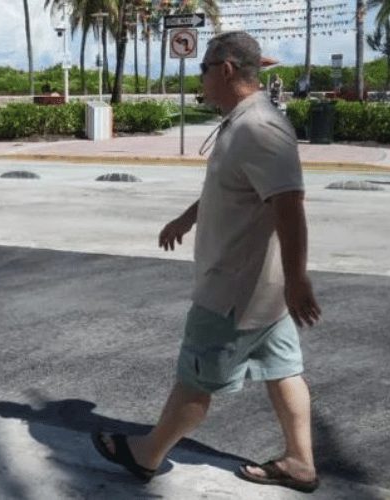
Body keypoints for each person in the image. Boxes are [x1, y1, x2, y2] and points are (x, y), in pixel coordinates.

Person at [90, 31, 322, 494]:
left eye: (204, 69)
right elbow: (235, 187)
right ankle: (300, 460)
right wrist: (187, 217)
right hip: (263, 294)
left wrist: (298, 280)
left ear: (228, 70)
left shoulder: (259, 128)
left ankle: (147, 456)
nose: (200, 78)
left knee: (195, 383)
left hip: (233, 293)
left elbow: (289, 205)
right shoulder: (244, 122)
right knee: (283, 371)